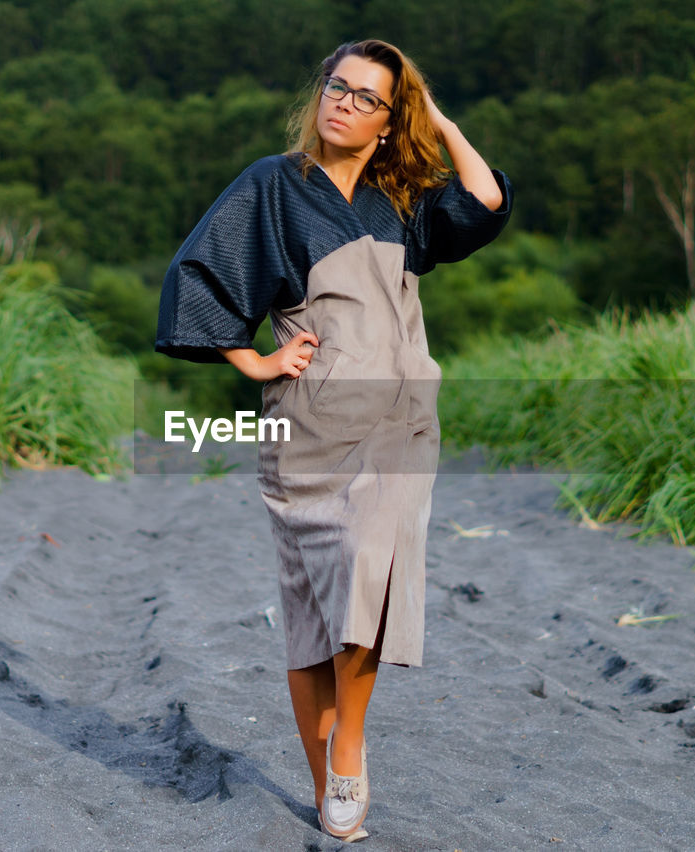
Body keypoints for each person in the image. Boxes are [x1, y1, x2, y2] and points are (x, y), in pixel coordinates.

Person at [155, 38, 512, 841]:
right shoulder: (272, 185)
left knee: (368, 578)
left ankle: (349, 740)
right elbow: (200, 275)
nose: (343, 103)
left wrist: (442, 122)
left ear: (391, 121)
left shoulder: (405, 200)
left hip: (401, 421)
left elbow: (485, 201)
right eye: (336, 87)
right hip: (310, 422)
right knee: (314, 615)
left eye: (366, 98)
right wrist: (255, 359)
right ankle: (326, 785)